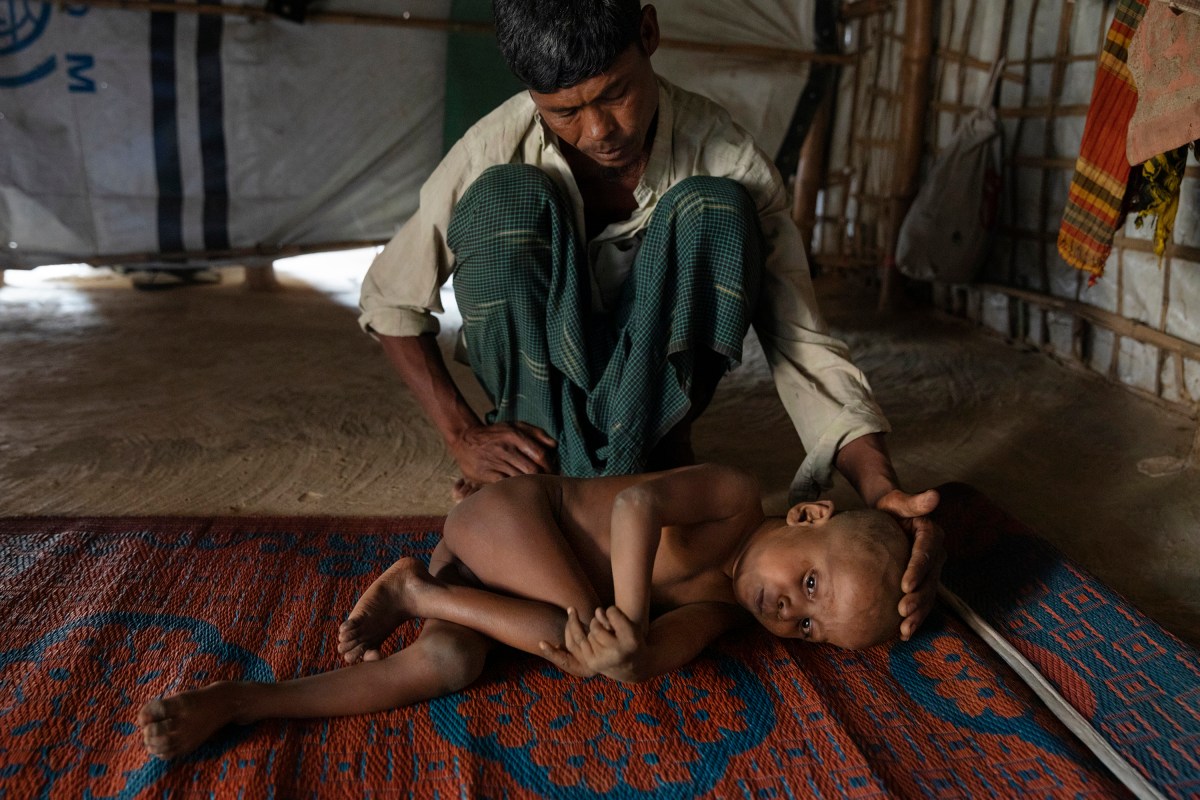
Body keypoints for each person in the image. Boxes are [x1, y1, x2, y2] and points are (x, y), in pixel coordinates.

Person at [357, 0, 944, 639]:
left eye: (614, 95)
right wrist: (461, 434)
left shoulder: (725, 155)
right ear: (534, 98)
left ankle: (605, 477)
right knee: (502, 200)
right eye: (565, 113)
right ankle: (541, 479)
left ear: (648, 33)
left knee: (717, 211)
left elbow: (799, 341)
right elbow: (390, 298)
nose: (598, 130)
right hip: (537, 417)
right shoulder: (497, 142)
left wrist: (882, 488)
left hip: (653, 404)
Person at [139, 464, 914, 759]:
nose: (787, 611)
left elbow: (645, 660)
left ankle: (244, 700)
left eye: (808, 628)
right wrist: (624, 618)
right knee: (571, 628)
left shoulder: (722, 612)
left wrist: (624, 659)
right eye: (810, 587)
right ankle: (415, 590)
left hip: (493, 597)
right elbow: (638, 505)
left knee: (447, 664)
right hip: (508, 520)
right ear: (808, 519)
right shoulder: (737, 499)